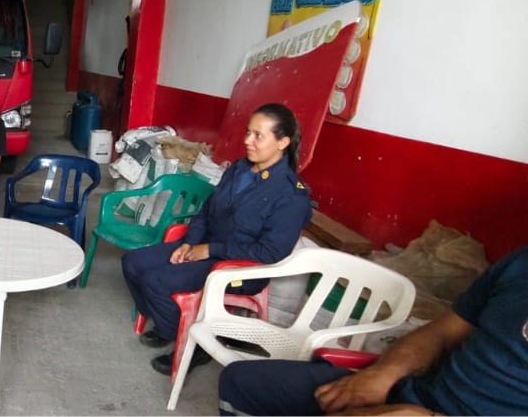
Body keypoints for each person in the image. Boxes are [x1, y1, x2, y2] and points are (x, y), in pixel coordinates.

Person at [219, 247, 528, 416]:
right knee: (243, 382)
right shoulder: (519, 264)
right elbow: (442, 333)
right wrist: (385, 373)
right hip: (418, 392)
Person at [121, 103, 313, 375]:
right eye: (248, 132)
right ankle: (169, 326)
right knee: (132, 263)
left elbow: (270, 253)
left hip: (241, 267)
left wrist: (211, 249)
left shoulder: (291, 195)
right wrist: (189, 243)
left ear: (282, 142)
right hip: (204, 248)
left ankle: (195, 346)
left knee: (156, 281)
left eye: (258, 135)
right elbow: (206, 211)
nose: (248, 141)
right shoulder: (240, 169)